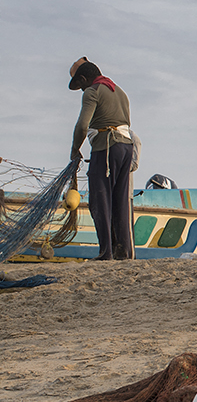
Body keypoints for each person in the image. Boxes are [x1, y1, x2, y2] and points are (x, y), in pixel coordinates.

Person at [68, 58, 135, 260]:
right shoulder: (119, 91)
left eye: (80, 86)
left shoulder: (93, 91)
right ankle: (122, 250)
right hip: (126, 147)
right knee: (120, 200)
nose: (81, 91)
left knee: (100, 199)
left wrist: (74, 149)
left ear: (84, 78)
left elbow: (82, 125)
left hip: (106, 147)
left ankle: (105, 252)